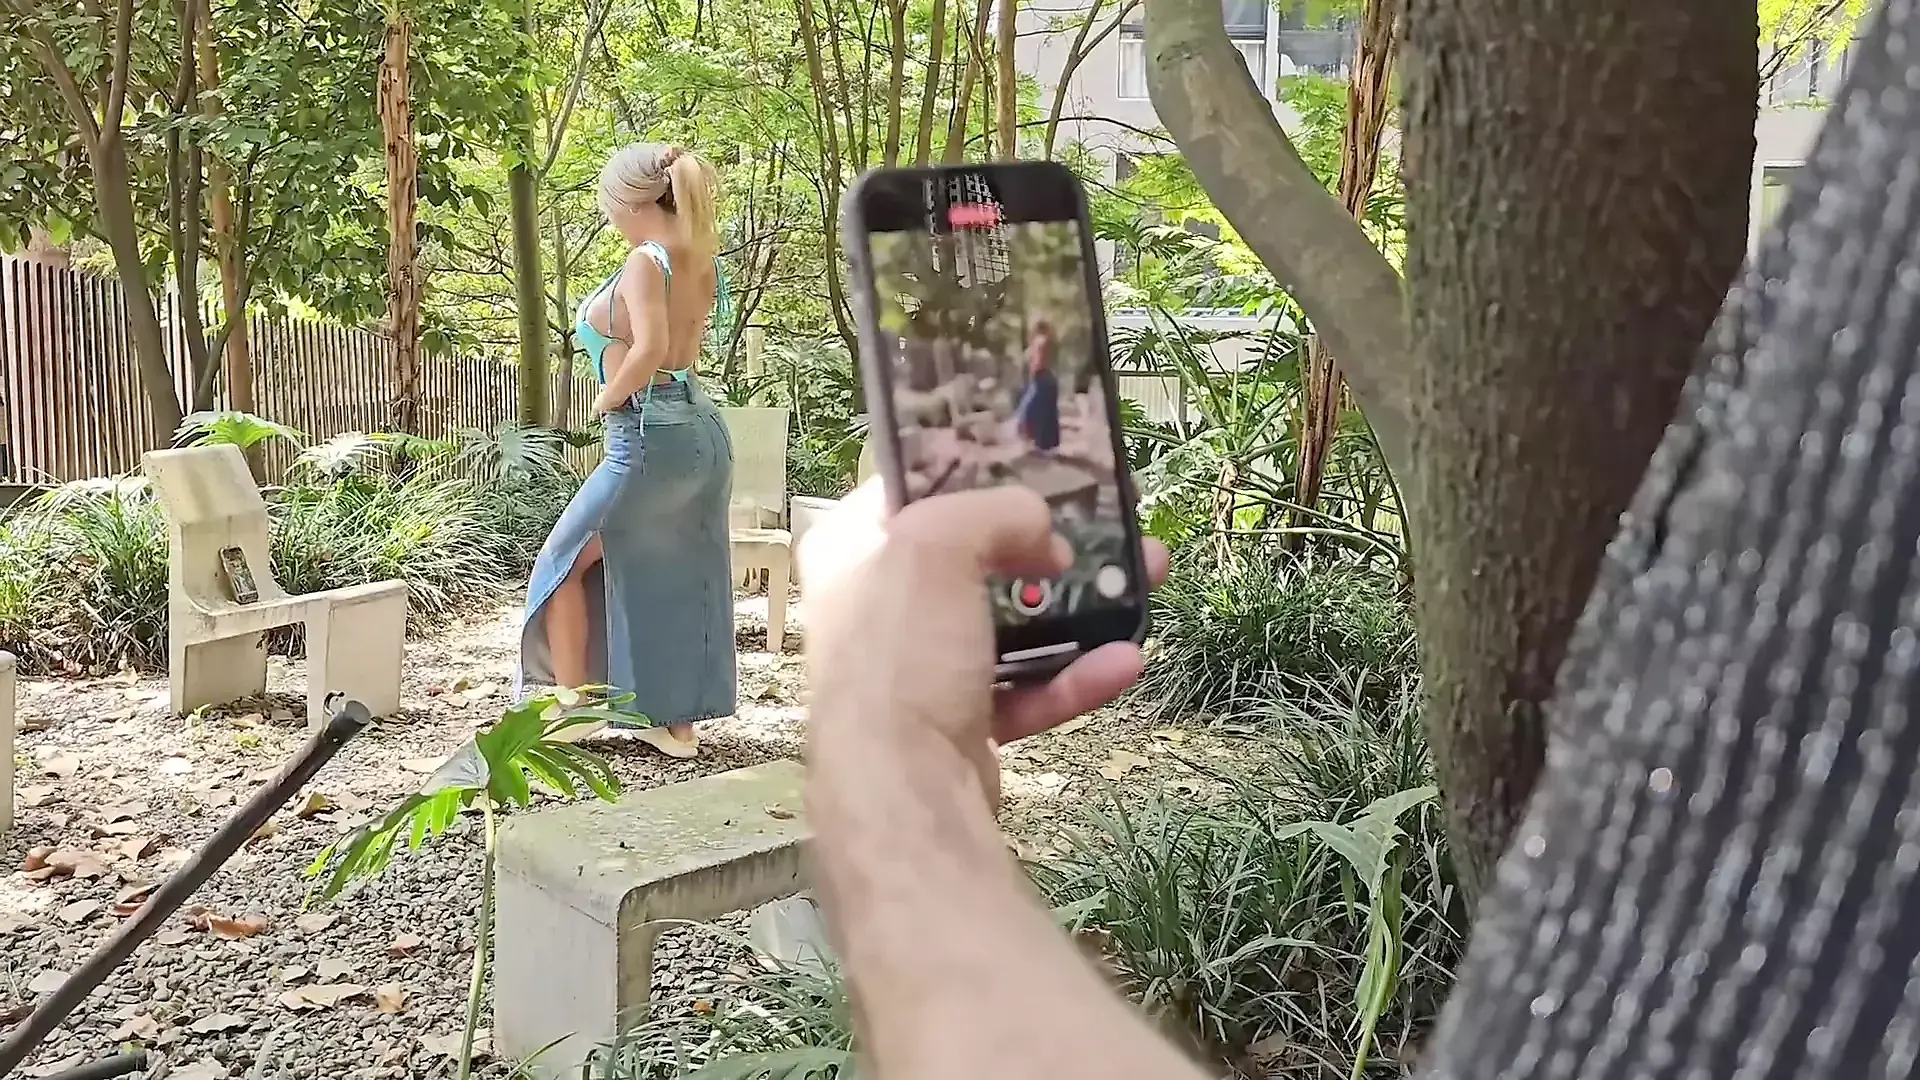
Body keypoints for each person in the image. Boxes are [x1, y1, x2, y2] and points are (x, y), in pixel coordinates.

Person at [516, 143, 734, 759]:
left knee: (561, 563)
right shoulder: (698, 259)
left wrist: (604, 400)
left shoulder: (645, 260)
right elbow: (683, 353)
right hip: (700, 428)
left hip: (644, 431)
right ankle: (672, 722)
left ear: (630, 201)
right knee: (670, 569)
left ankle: (576, 708)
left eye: (609, 205)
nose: (609, 217)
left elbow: (649, 349)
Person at [1014, 320, 1062, 455]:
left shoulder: (1042, 341)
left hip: (1043, 378)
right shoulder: (1046, 342)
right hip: (1045, 378)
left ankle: (1043, 445)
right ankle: (1044, 445)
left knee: (1034, 411)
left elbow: (1039, 362)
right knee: (1044, 412)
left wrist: (1033, 372)